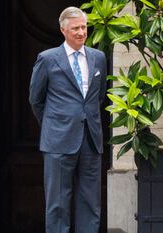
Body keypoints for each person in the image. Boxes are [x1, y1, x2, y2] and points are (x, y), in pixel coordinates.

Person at [29, 6, 107, 233]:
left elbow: (97, 96)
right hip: (58, 141)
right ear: (63, 30)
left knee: (90, 203)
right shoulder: (47, 59)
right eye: (76, 28)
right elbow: (36, 99)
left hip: (90, 140)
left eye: (84, 27)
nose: (82, 32)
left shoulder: (98, 58)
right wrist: (54, 125)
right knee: (57, 205)